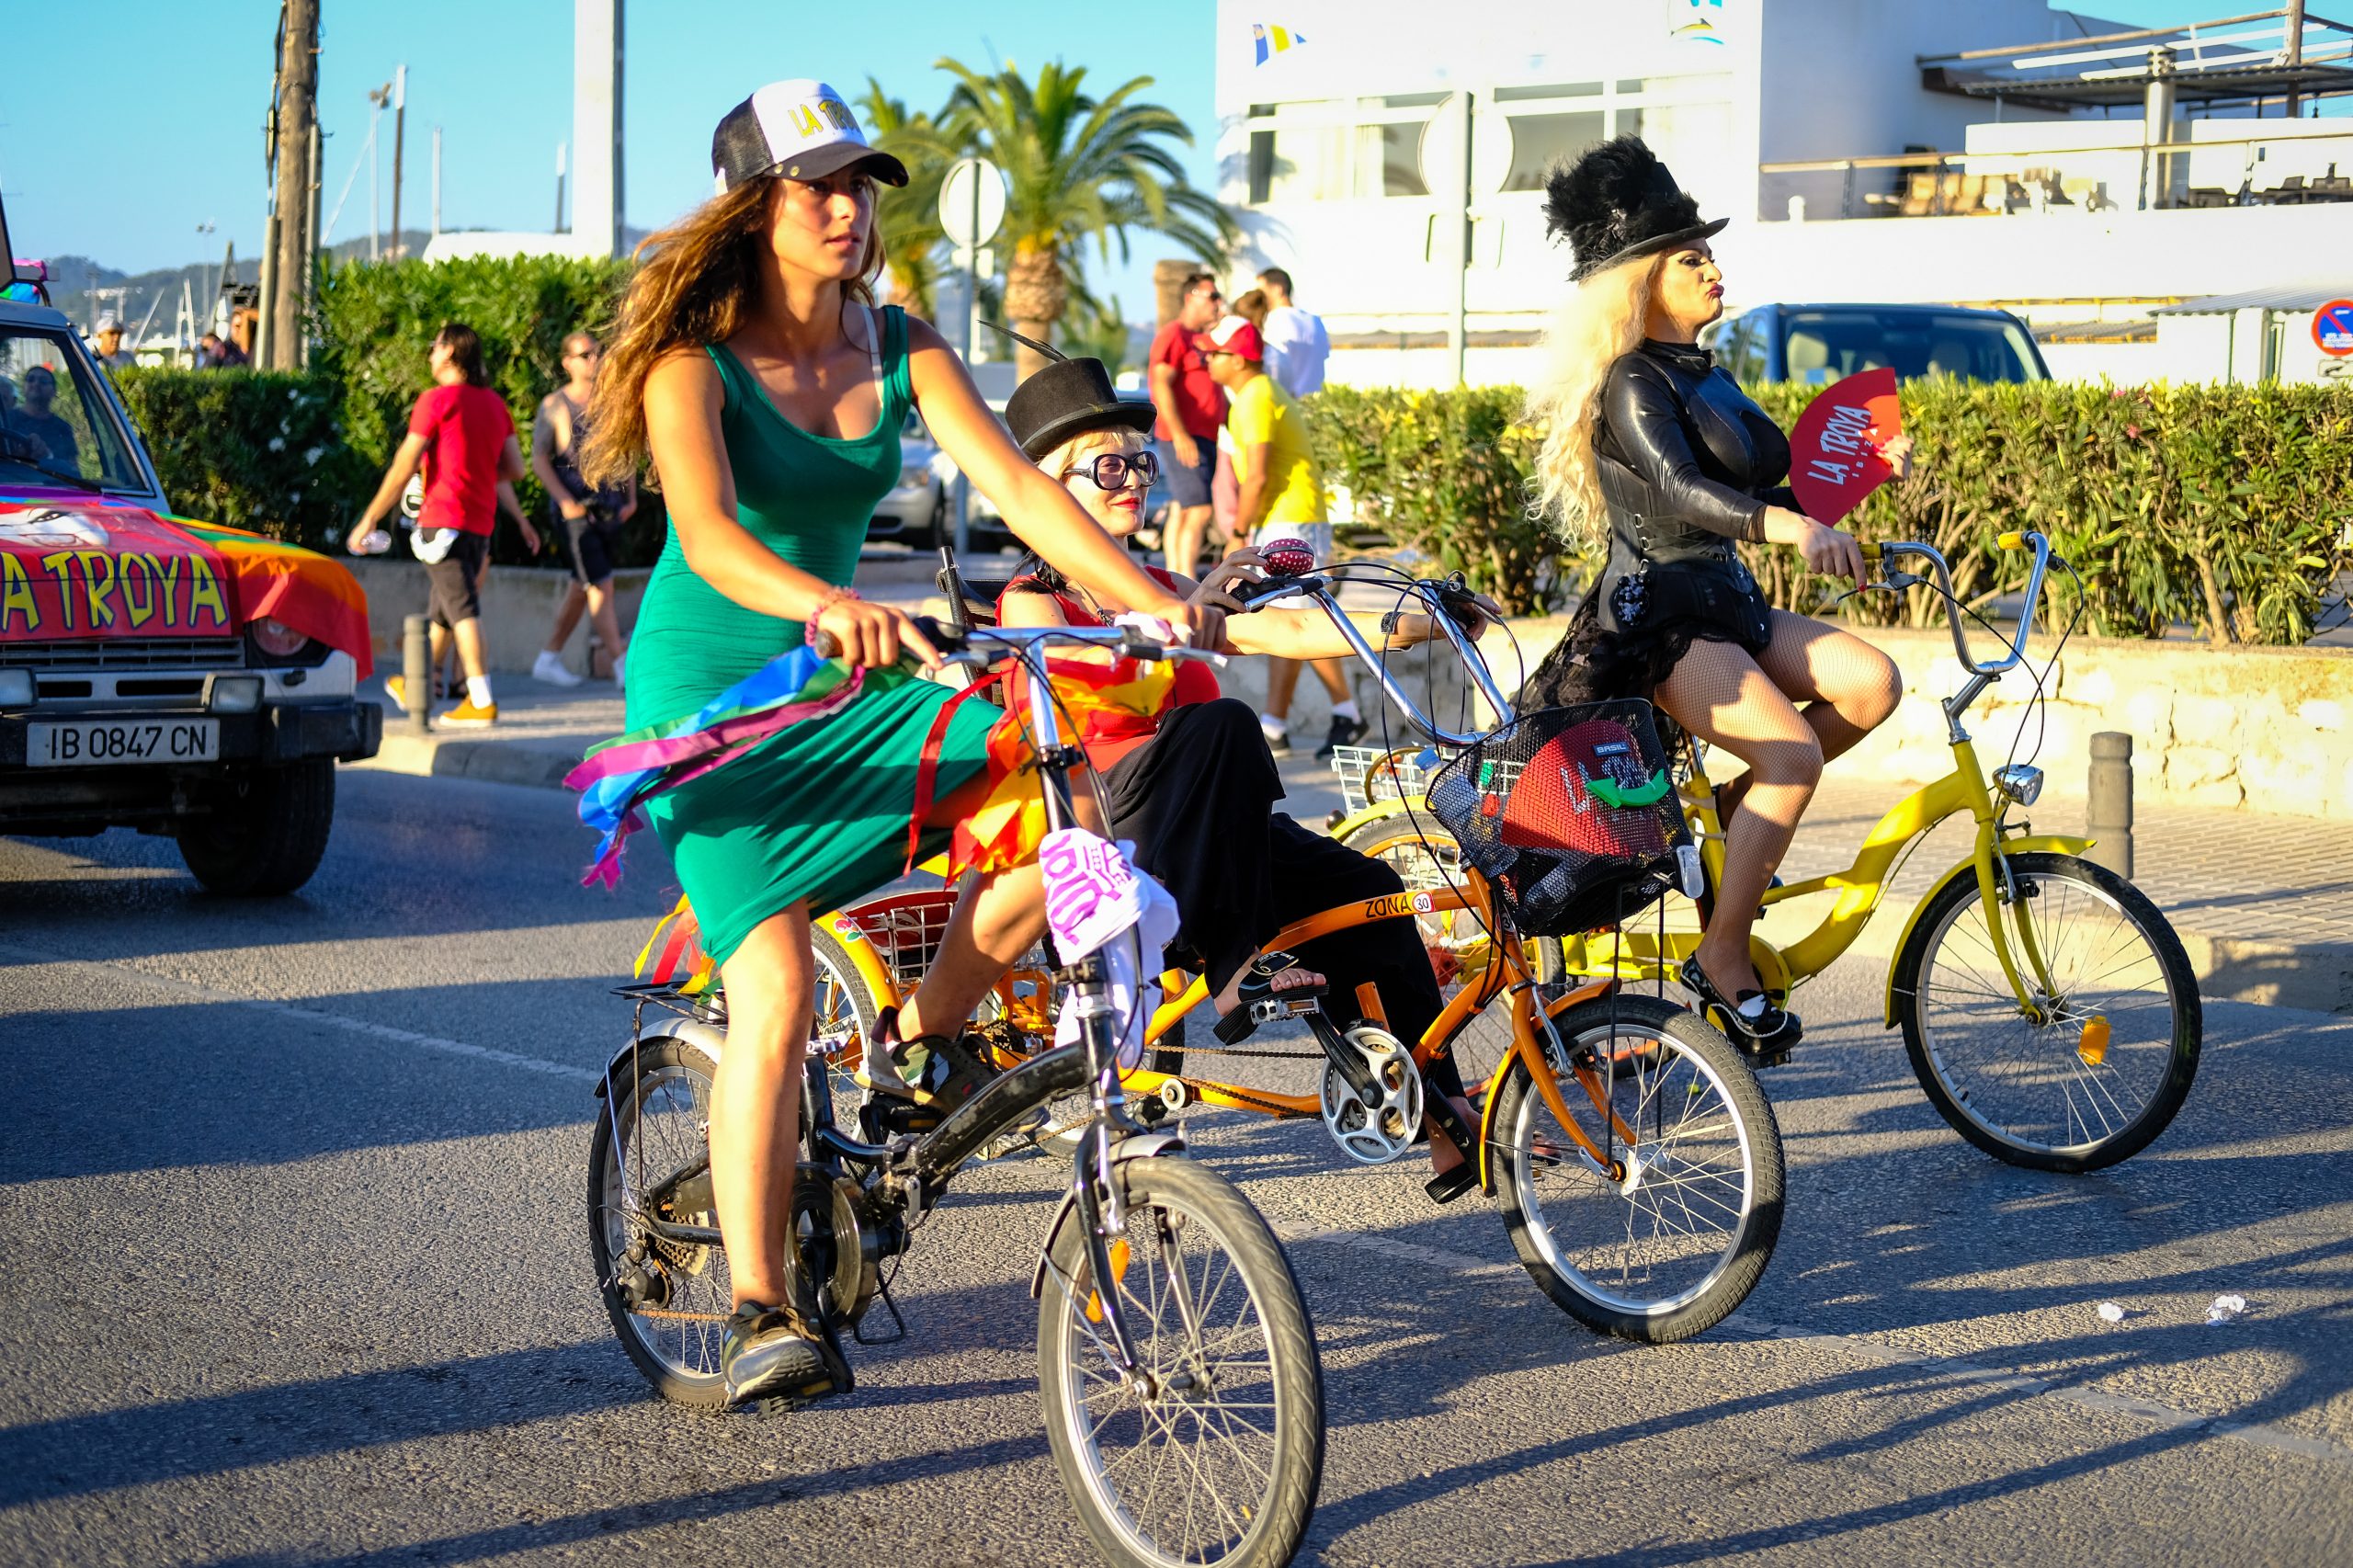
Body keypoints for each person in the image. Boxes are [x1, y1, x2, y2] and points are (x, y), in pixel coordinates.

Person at [569, 78, 1221, 1407]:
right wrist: (827, 602)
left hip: (848, 667)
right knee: (780, 997)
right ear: (756, 208)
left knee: (1053, 771)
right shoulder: (696, 365)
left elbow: (1026, 487)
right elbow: (706, 538)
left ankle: (922, 1050)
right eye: (817, 185)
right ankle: (759, 1305)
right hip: (718, 716)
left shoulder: (902, 339)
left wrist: (1158, 603)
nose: (846, 208)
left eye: (860, 184)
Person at [993, 348, 1495, 1189]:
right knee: (1219, 721)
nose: (1132, 479)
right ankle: (1231, 972)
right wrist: (1179, 619)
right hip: (1118, 839)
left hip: (1219, 839)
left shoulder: (1162, 584)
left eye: (1138, 463)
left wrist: (1424, 619)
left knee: (1369, 896)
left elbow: (1292, 633)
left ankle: (1442, 1121)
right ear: (1047, 493)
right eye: (1106, 465)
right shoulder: (1032, 601)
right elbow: (1100, 684)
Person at [1522, 137, 1910, 1050]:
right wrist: (1789, 528)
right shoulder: (1629, 381)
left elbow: (1763, 493)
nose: (1712, 268)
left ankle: (1732, 827)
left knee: (1873, 683)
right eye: (1689, 257)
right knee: (1794, 757)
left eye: (1708, 253)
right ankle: (1722, 955)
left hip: (1723, 601)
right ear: (1642, 281)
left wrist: (1853, 483)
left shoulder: (1707, 368)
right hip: (1656, 619)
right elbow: (1681, 492)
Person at [344, 323, 540, 727]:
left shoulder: (435, 401)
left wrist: (370, 518)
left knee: (463, 611)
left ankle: (481, 699)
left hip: (442, 523)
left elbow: (404, 465)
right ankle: (414, 683)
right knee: (444, 612)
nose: (430, 355)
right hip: (479, 525)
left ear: (450, 351)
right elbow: (515, 469)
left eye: (434, 347)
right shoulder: (494, 405)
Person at [1196, 314, 1364, 759]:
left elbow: (1258, 477)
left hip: (1289, 521)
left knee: (1298, 623)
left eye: (1213, 353)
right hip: (1290, 516)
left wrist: (1235, 534)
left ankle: (1346, 713)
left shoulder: (1253, 397)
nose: (1206, 359)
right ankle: (1276, 724)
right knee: (1288, 620)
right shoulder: (1260, 393)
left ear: (1238, 359)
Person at [530, 330, 638, 689]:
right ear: (567, 362)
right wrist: (565, 502)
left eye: (596, 352)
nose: (594, 359)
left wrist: (631, 498)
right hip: (575, 511)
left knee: (585, 583)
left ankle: (548, 658)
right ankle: (621, 663)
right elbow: (539, 459)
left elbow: (627, 449)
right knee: (601, 584)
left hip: (609, 507)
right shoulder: (555, 405)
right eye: (585, 354)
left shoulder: (611, 400)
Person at [1145, 270, 1225, 577]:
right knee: (1200, 509)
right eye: (1213, 296)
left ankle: (1175, 577)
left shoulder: (1202, 339)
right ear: (1191, 297)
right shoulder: (1174, 334)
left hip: (1204, 434)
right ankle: (1189, 581)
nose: (1218, 303)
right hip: (1185, 435)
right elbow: (1161, 384)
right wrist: (1180, 434)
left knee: (1182, 507)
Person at [1256, 267, 1329, 399]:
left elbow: (1273, 366)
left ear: (1277, 289)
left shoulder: (1275, 319)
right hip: (1316, 403)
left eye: (1261, 292)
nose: (1257, 298)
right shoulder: (1315, 321)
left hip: (1289, 403)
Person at [12, 365, 80, 475]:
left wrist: (48, 456)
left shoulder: (62, 428)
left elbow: (72, 469)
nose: (36, 384)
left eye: (43, 381)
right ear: (23, 388)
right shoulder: (6, 420)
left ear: (54, 392)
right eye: (31, 379)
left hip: (50, 487)